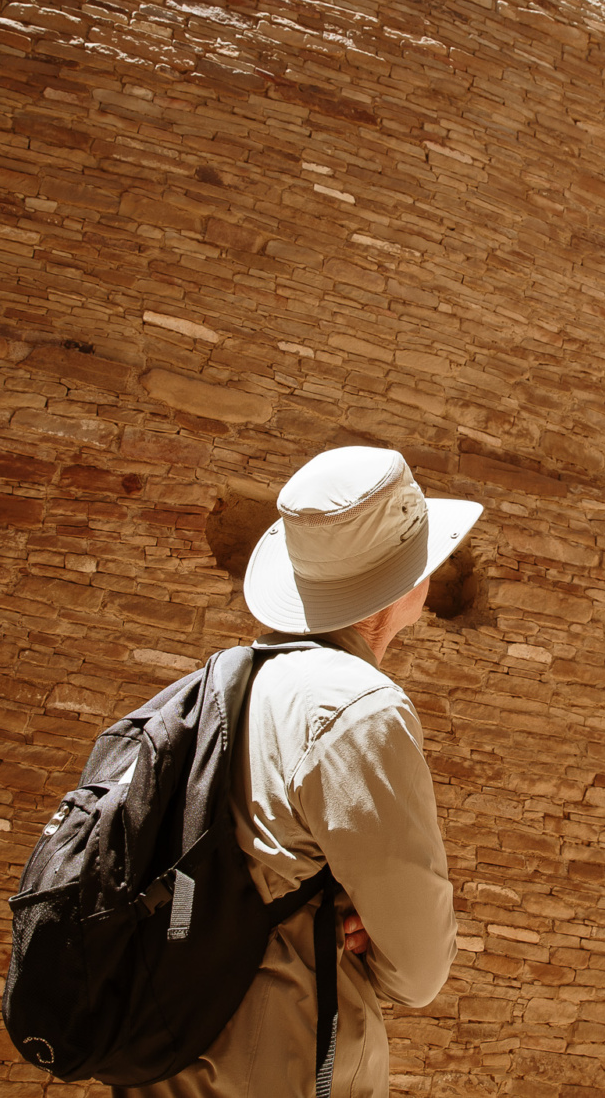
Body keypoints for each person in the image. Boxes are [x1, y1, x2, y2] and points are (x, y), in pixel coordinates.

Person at [116, 445, 481, 1098]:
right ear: (402, 586)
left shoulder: (220, 687)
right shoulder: (359, 710)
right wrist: (382, 927)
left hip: (168, 1068)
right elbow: (418, 969)